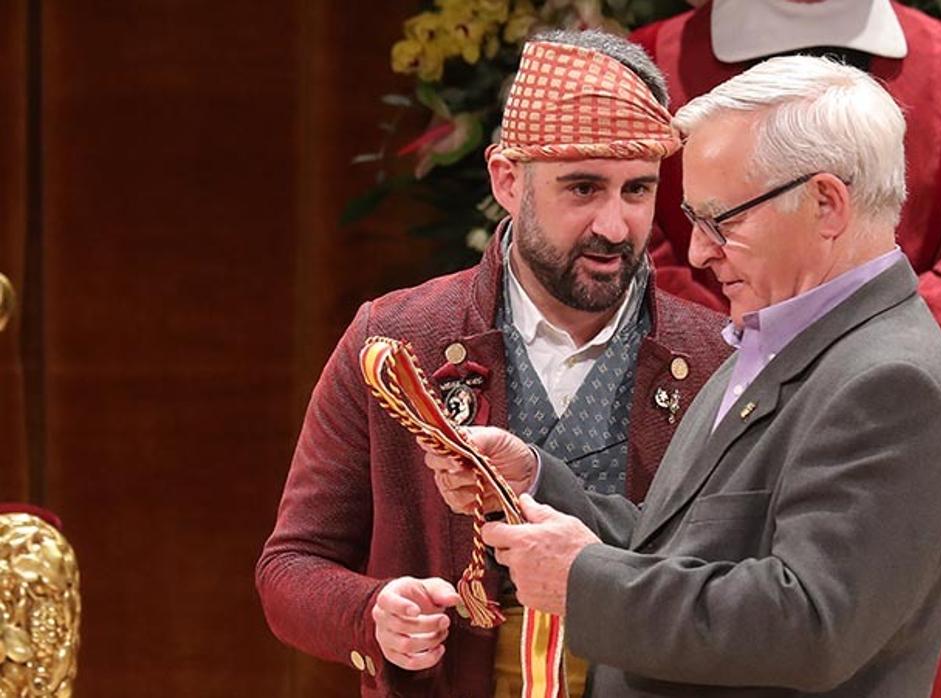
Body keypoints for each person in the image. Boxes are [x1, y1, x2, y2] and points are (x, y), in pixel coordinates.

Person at [427, 56, 941, 697]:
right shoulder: (777, 339)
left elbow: (810, 625)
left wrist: (580, 582)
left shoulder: (891, 382)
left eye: (723, 221)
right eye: (693, 221)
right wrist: (538, 481)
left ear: (826, 203)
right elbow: (679, 550)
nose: (696, 252)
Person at [255, 30, 732, 698]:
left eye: (637, 190)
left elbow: (747, 584)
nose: (616, 226)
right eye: (583, 187)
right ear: (506, 180)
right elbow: (290, 568)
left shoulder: (718, 357)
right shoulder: (395, 339)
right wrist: (373, 614)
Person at [632, 4, 941, 693]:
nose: (705, 242)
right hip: (694, 436)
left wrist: (858, 366)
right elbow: (628, 244)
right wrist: (752, 356)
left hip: (881, 459)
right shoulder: (650, 66)